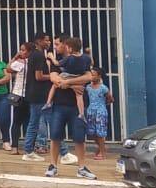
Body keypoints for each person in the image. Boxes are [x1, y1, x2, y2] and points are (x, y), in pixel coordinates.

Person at [46, 37, 95, 179]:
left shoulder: (81, 61)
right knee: (55, 136)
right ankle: (53, 165)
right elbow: (55, 79)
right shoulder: (58, 63)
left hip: (77, 106)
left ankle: (82, 167)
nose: (55, 47)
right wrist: (75, 85)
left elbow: (89, 77)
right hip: (60, 104)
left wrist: (69, 82)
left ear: (67, 46)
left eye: (58, 44)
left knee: (80, 138)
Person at [22, 33, 56, 161]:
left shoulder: (34, 55)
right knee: (49, 121)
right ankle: (63, 152)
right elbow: (39, 76)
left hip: (36, 93)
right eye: (46, 40)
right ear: (39, 41)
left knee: (35, 123)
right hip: (39, 94)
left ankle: (28, 150)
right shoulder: (39, 55)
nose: (49, 42)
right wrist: (53, 76)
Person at [6, 43, 33, 155]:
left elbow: (8, 68)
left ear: (28, 51)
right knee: (28, 122)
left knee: (16, 122)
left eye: (22, 50)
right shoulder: (34, 63)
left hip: (18, 94)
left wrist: (15, 57)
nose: (21, 52)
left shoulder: (20, 63)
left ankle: (14, 147)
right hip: (29, 95)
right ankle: (28, 148)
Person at [85, 67, 113, 160]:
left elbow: (110, 98)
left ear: (99, 76)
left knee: (100, 133)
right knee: (92, 132)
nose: (91, 76)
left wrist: (104, 104)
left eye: (93, 75)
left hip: (100, 111)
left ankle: (102, 153)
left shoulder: (103, 88)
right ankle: (102, 147)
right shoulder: (88, 87)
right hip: (91, 111)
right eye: (90, 74)